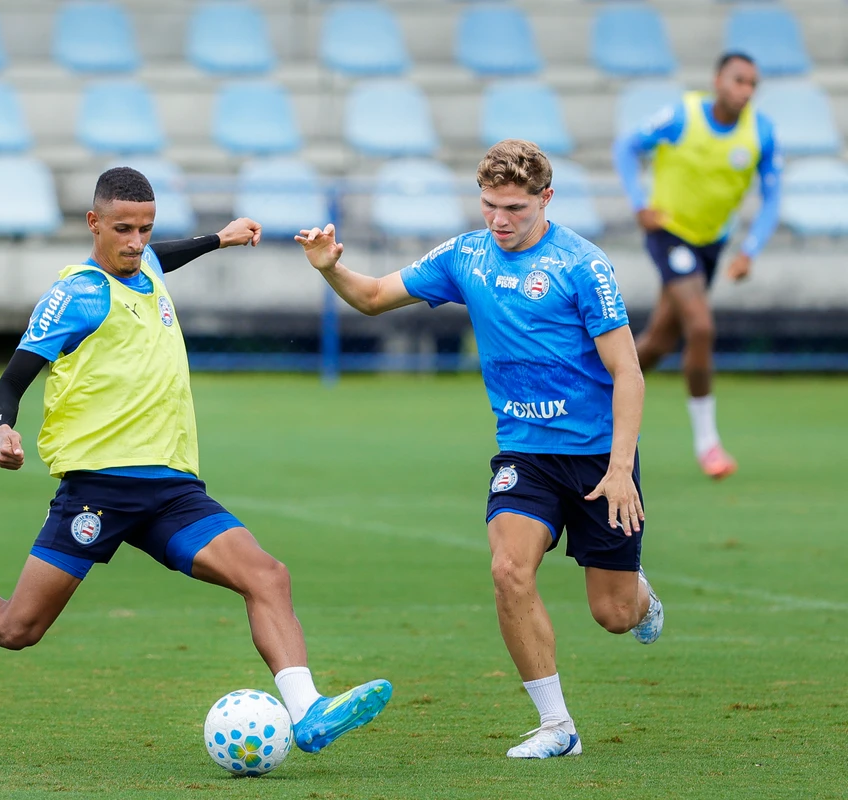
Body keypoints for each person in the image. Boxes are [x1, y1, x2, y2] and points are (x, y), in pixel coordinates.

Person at [0, 167, 392, 753]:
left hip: (171, 489)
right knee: (15, 627)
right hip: (98, 490)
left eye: (146, 229)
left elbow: (160, 258)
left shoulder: (146, 264)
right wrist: (3, 431)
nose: (135, 242)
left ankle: (307, 713)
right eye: (122, 228)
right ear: (93, 223)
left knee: (267, 575)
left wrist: (219, 238)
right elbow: (9, 383)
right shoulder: (74, 295)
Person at [295, 140, 664, 759]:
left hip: (600, 458)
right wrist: (331, 266)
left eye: (515, 208)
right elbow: (373, 296)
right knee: (507, 570)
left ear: (546, 199)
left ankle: (642, 595)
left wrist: (622, 468)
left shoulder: (583, 265)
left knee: (615, 614)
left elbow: (629, 373)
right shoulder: (467, 255)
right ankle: (557, 727)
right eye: (490, 204)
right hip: (524, 454)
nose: (499, 219)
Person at [613, 52, 782, 479]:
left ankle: (589, 391)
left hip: (711, 244)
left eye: (751, 84)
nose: (744, 90)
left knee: (658, 342)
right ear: (717, 80)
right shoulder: (682, 116)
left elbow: (772, 198)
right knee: (701, 327)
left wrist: (750, 250)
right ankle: (708, 444)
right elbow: (626, 147)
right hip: (669, 232)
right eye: (738, 80)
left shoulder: (760, 133)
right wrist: (639, 204)